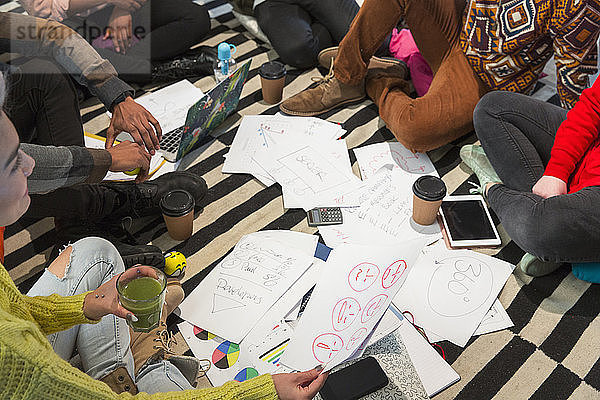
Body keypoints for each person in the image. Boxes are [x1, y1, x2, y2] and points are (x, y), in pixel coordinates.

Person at [0, 73, 328, 399]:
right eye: (14, 163)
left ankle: (120, 362)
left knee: (96, 253)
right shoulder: (23, 362)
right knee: (152, 381)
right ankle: (149, 363)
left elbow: (15, 310)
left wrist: (84, 304)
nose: (32, 164)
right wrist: (264, 392)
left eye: (22, 150)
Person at [280, 0, 600, 152]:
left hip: (486, 79)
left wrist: (569, 152)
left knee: (416, 132)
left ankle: (379, 79)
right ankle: (347, 76)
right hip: (457, 32)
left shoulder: (580, 5)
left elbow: (575, 80)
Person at [460, 80, 600, 277]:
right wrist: (557, 171)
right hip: (589, 151)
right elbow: (592, 106)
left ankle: (492, 186)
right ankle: (561, 240)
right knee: (492, 107)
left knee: (539, 229)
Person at [19, 0, 216, 82]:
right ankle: (164, 69)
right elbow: (45, 11)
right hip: (75, 22)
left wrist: (122, 9)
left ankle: (116, 66)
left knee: (196, 17)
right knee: (62, 44)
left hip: (127, 9)